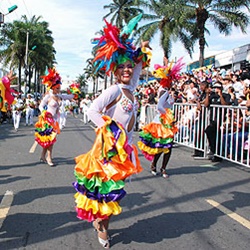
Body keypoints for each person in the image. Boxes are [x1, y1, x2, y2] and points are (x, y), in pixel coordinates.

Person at [72, 15, 151, 249]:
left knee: (115, 191)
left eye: (129, 66)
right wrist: (109, 131)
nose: (127, 70)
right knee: (107, 193)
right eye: (122, 67)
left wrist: (139, 50)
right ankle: (103, 228)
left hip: (122, 153)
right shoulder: (115, 89)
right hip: (107, 151)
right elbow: (92, 110)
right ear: (115, 71)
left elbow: (137, 69)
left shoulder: (130, 88)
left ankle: (102, 222)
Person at [138, 57, 183, 178]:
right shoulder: (164, 90)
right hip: (161, 122)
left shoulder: (168, 90)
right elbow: (159, 107)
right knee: (161, 145)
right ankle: (154, 165)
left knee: (168, 146)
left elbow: (169, 104)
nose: (173, 81)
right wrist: (167, 114)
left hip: (168, 122)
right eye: (171, 79)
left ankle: (163, 168)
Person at [35, 68, 74, 166]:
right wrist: (43, 112)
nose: (59, 90)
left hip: (55, 121)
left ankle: (43, 156)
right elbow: (40, 105)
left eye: (59, 88)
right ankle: (49, 158)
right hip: (47, 120)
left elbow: (71, 96)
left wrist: (74, 90)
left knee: (49, 140)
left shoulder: (60, 96)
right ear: (52, 87)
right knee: (50, 140)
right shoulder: (48, 96)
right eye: (57, 88)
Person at [204, 81, 232, 162]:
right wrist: (207, 95)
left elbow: (225, 105)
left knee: (217, 137)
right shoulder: (212, 96)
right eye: (215, 88)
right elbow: (206, 104)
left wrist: (220, 96)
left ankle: (218, 155)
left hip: (220, 119)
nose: (216, 89)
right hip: (212, 119)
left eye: (218, 88)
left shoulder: (226, 95)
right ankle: (213, 150)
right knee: (208, 131)